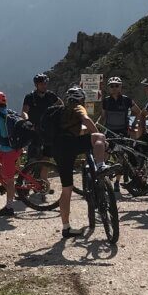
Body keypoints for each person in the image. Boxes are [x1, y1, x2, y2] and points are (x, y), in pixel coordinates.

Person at [51, 86, 109, 238]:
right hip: (71, 145)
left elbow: (75, 127)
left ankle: (66, 228)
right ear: (81, 99)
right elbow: (86, 120)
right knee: (98, 138)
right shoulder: (77, 107)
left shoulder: (60, 110)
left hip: (57, 149)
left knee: (66, 189)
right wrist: (98, 134)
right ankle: (100, 166)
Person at [21, 73, 60, 159]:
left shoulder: (50, 95)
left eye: (45, 83)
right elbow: (24, 111)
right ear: (36, 85)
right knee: (33, 155)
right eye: (42, 84)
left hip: (48, 130)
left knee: (47, 157)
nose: (44, 86)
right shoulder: (30, 97)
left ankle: (45, 170)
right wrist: (27, 122)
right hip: (34, 129)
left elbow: (61, 105)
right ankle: (29, 170)